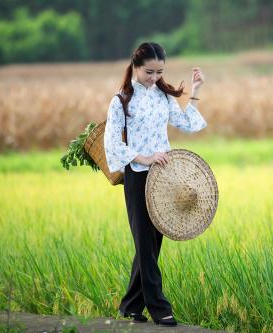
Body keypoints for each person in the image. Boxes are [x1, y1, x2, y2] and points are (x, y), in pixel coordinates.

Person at [103, 42, 207, 327]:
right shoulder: (122, 100)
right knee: (144, 241)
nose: (154, 77)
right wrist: (144, 157)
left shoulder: (162, 95)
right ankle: (159, 307)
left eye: (159, 72)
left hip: (163, 177)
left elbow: (184, 122)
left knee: (153, 242)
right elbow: (112, 142)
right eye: (150, 72)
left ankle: (130, 305)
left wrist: (195, 91)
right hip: (138, 174)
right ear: (136, 66)